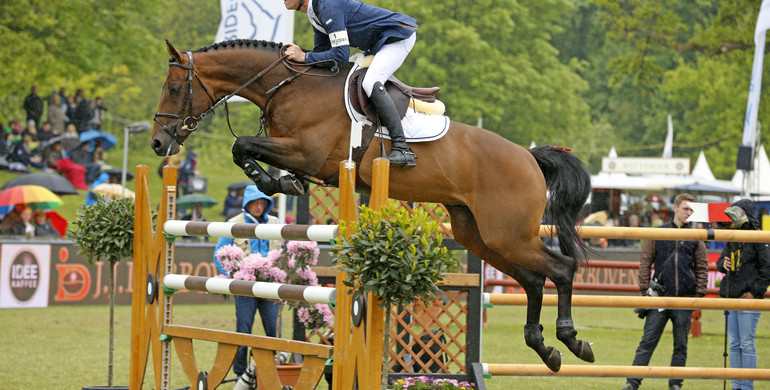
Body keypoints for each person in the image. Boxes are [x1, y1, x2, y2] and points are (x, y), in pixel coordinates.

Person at [282, 0, 418, 168]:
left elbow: (340, 55)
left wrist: (304, 57)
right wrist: (304, 56)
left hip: (397, 36)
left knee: (371, 82)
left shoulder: (328, 7)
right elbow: (323, 53)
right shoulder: (316, 12)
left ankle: (403, 148)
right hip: (381, 42)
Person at [621, 193, 708, 390]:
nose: (689, 213)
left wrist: (698, 296)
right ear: (675, 207)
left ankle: (675, 383)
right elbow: (645, 262)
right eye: (686, 208)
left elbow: (702, 267)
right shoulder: (657, 232)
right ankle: (632, 382)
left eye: (692, 210)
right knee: (647, 343)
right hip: (659, 299)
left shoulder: (696, 237)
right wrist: (645, 292)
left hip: (685, 300)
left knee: (681, 346)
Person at [212, 185, 281, 379]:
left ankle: (274, 372)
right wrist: (233, 278)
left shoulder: (275, 222)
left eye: (262, 203)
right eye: (255, 203)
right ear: (246, 204)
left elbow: (283, 253)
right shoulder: (233, 223)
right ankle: (240, 373)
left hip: (270, 286)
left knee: (274, 331)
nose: (259, 207)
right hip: (244, 286)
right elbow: (219, 255)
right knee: (243, 330)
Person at [716, 199, 770, 390]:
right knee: (734, 343)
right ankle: (736, 385)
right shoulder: (733, 236)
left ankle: (747, 386)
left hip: (748, 298)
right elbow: (720, 259)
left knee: (746, 343)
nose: (733, 218)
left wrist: (754, 293)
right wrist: (722, 264)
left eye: (736, 214)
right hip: (730, 295)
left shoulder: (759, 238)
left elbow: (767, 269)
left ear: (746, 215)